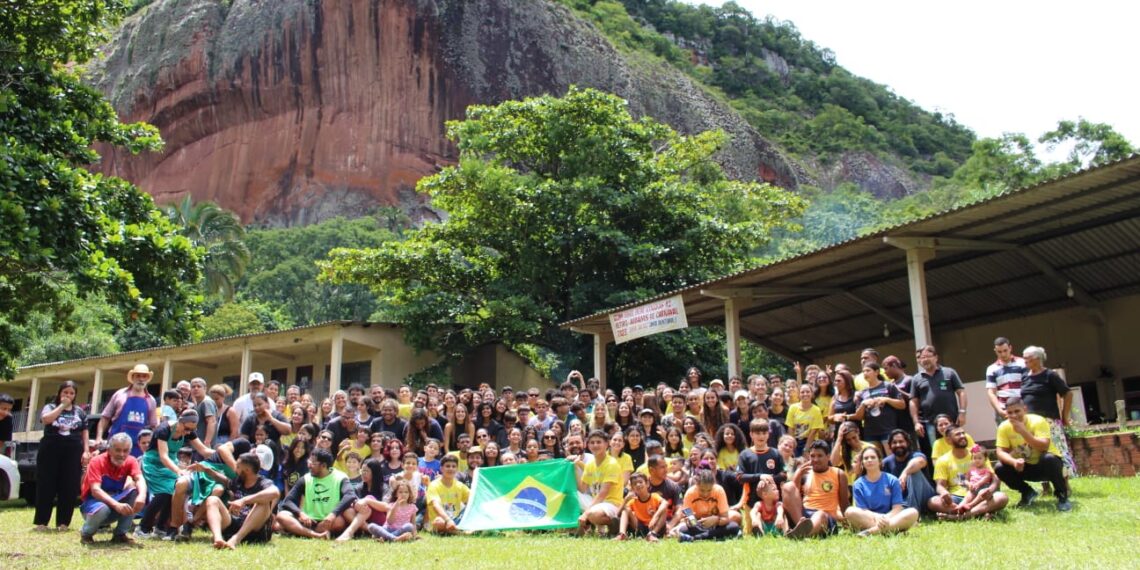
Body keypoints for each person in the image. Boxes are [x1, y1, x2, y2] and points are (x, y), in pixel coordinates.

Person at [994, 396, 1072, 511]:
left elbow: (1044, 446)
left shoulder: (1038, 421)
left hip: (1045, 466)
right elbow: (1000, 453)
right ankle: (1027, 492)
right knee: (999, 467)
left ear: (1024, 409)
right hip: (1023, 467)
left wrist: (1024, 432)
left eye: (1017, 411)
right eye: (1010, 413)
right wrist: (1014, 462)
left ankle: (1062, 496)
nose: (1014, 415)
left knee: (1049, 459)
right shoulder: (1004, 427)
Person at [33, 380, 90, 532]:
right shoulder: (50, 407)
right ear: (59, 393)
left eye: (72, 393)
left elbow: (84, 431)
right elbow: (46, 420)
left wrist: (86, 450)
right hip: (50, 450)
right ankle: (41, 522)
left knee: (69, 486)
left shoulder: (80, 411)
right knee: (46, 485)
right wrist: (62, 406)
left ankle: (63, 523)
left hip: (72, 451)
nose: (68, 395)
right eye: (65, 392)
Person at [79, 433, 147, 545]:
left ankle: (120, 534)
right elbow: (95, 491)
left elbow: (139, 478)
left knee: (134, 492)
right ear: (109, 450)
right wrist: (116, 505)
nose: (122, 454)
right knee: (103, 508)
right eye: (118, 450)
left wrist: (142, 496)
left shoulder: (131, 461)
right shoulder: (97, 461)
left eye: (125, 451)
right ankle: (86, 534)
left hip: (116, 504)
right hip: (93, 506)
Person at [1020, 345, 1078, 477]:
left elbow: (1068, 394)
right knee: (1034, 453)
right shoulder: (1025, 376)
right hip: (1031, 423)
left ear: (1037, 359)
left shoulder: (1050, 375)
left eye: (1027, 358)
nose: (1024, 361)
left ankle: (1064, 482)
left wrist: (1065, 416)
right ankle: (1044, 485)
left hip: (1048, 421)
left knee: (1056, 451)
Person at [927, 426, 1008, 520]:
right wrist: (944, 493)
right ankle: (980, 512)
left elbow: (994, 478)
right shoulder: (942, 460)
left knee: (1002, 497)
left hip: (981, 495)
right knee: (932, 501)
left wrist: (990, 490)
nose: (962, 436)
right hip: (957, 498)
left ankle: (959, 516)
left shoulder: (978, 454)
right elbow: (940, 485)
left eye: (963, 433)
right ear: (948, 440)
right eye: (958, 434)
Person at [202, 452, 280, 549]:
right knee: (212, 500)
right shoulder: (239, 481)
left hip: (255, 530)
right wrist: (208, 471)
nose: (235, 469)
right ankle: (218, 539)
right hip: (235, 523)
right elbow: (226, 481)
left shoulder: (263, 482)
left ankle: (235, 539)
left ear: (247, 470)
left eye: (238, 467)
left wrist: (244, 500)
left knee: (263, 503)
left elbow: (275, 492)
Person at [277, 448, 357, 538]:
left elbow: (350, 495)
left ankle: (302, 531)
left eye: (313, 463)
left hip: (328, 520)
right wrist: (300, 513)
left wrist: (333, 514)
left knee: (339, 522)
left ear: (323, 465)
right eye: (309, 461)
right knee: (281, 516)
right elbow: (288, 501)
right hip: (307, 520)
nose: (309, 465)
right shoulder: (305, 479)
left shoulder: (340, 477)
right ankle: (314, 534)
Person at [845, 446, 919, 536]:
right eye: (866, 458)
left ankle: (871, 532)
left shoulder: (892, 480)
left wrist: (885, 517)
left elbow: (897, 508)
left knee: (913, 512)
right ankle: (893, 529)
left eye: (873, 457)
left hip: (891, 517)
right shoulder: (858, 484)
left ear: (880, 461)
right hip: (870, 518)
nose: (869, 460)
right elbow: (863, 510)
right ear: (862, 463)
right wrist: (878, 517)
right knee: (850, 512)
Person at [783, 440, 848, 539]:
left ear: (828, 456)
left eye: (819, 456)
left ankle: (803, 534)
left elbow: (844, 503)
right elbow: (793, 497)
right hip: (803, 515)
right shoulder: (805, 472)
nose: (815, 459)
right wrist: (798, 474)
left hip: (825, 517)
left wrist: (847, 523)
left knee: (820, 514)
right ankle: (801, 527)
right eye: (812, 456)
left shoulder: (838, 474)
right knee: (788, 486)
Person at [96, 363, 159, 457]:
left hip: (138, 448)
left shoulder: (151, 400)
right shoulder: (120, 395)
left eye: (144, 376)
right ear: (133, 377)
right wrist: (99, 437)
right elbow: (105, 417)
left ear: (147, 379)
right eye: (138, 376)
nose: (141, 379)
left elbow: (154, 426)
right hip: (116, 444)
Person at [912, 345, 967, 445]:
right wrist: (916, 422)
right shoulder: (916, 379)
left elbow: (961, 392)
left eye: (928, 356)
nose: (925, 360)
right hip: (930, 423)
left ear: (936, 357)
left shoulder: (949, 372)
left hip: (952, 421)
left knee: (956, 445)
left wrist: (962, 412)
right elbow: (913, 402)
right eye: (922, 357)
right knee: (936, 449)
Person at [575, 430, 623, 535]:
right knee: (572, 495)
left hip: (612, 504)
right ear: (588, 445)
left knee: (593, 514)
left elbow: (603, 494)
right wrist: (575, 466)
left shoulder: (611, 464)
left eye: (598, 442)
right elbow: (582, 489)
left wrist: (586, 514)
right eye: (592, 442)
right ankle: (584, 526)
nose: (595, 445)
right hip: (597, 502)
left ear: (607, 444)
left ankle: (617, 523)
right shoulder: (590, 464)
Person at [673, 467, 740, 542]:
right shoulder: (689, 493)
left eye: (709, 490)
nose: (705, 494)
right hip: (698, 525)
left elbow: (725, 518)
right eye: (702, 490)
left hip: (716, 525)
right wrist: (692, 521)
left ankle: (695, 538)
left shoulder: (719, 490)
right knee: (682, 529)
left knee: (734, 526)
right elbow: (689, 519)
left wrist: (716, 520)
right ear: (696, 484)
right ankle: (713, 536)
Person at [881, 429, 936, 513]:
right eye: (894, 442)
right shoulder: (886, 462)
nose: (898, 445)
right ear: (889, 446)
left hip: (925, 497)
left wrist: (905, 473)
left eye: (901, 441)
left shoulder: (917, 455)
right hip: (902, 501)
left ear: (908, 443)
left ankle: (911, 511)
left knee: (914, 472)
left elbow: (920, 461)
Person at [615, 472, 666, 542]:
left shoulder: (654, 496)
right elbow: (616, 515)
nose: (638, 485)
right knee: (626, 509)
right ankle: (622, 534)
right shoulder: (633, 501)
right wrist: (625, 500)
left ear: (647, 484)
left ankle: (652, 535)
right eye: (635, 484)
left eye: (640, 482)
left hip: (654, 526)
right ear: (632, 488)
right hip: (640, 527)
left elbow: (665, 503)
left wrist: (655, 517)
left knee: (663, 509)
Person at [986, 337, 1027, 423]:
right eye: (999, 352)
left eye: (1005, 350)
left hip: (1022, 407)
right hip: (1004, 409)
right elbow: (991, 392)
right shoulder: (991, 369)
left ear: (1010, 348)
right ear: (995, 351)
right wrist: (999, 410)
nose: (1003, 354)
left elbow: (1028, 385)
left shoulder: (1022, 363)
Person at [426, 454, 469, 534]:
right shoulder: (433, 485)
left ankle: (455, 530)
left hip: (456, 519)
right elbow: (436, 505)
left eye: (453, 466)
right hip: (442, 520)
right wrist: (448, 520)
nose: (451, 468)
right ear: (441, 468)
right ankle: (460, 532)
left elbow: (472, 499)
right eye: (448, 466)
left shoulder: (460, 485)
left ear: (457, 469)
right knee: (439, 522)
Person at [785, 384, 824, 456]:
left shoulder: (816, 410)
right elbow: (790, 428)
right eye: (802, 392)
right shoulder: (792, 408)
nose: (805, 394)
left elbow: (813, 432)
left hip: (810, 442)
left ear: (812, 394)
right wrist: (792, 446)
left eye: (808, 392)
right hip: (795, 441)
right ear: (799, 394)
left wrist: (806, 449)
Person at [958, 444, 997, 514]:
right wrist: (968, 484)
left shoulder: (986, 469)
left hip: (983, 487)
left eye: (979, 458)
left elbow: (986, 478)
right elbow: (966, 479)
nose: (977, 460)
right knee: (968, 496)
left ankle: (971, 505)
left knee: (981, 494)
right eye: (974, 458)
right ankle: (959, 508)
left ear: (985, 459)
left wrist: (978, 484)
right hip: (973, 488)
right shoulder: (971, 470)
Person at [189, 378, 217, 449]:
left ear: (205, 389)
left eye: (199, 386)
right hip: (198, 445)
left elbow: (211, 422)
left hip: (204, 446)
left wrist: (207, 442)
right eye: (193, 387)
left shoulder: (206, 402)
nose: (196, 388)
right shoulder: (197, 404)